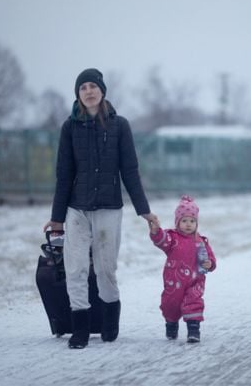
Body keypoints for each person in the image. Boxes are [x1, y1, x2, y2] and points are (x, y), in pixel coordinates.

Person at [43, 68, 159, 349]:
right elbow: (64, 174)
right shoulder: (69, 128)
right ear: (78, 95)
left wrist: (144, 211)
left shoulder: (120, 126)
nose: (88, 91)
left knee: (106, 268)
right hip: (77, 209)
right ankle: (79, 327)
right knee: (75, 267)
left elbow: (130, 171)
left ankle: (109, 321)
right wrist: (57, 218)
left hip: (109, 207)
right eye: (82, 88)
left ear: (102, 91)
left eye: (93, 86)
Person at [148, 195, 217, 343]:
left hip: (195, 281)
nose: (188, 224)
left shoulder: (200, 241)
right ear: (177, 222)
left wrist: (210, 264)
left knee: (194, 302)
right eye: (184, 221)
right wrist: (156, 231)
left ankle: (193, 330)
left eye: (192, 221)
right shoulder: (173, 238)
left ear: (196, 223)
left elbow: (210, 258)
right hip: (174, 281)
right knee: (170, 305)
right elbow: (162, 241)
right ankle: (171, 324)